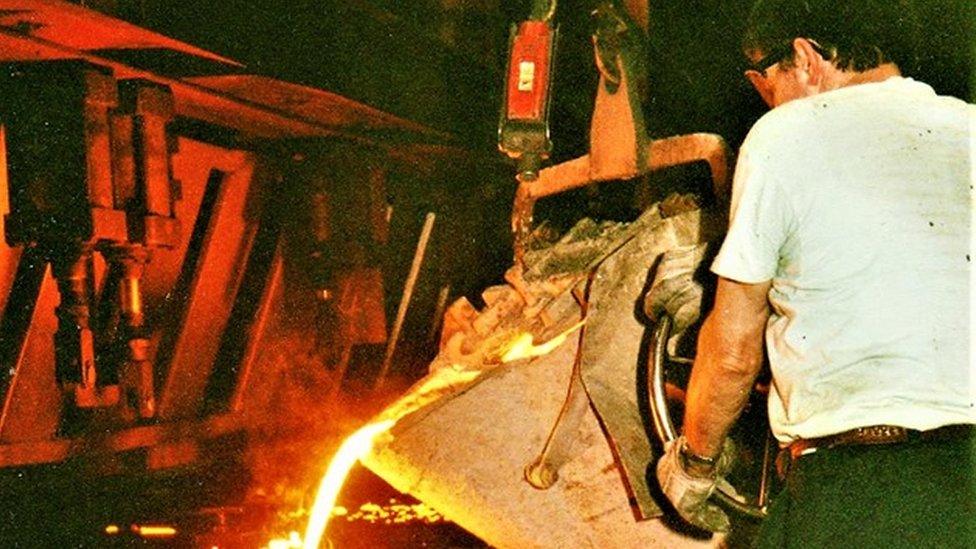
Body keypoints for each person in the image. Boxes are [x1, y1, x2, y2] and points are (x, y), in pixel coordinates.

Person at [655, 0, 975, 546]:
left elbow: (733, 354)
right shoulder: (967, 125)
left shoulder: (784, 136)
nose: (770, 103)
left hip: (855, 490)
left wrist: (694, 462)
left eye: (765, 85)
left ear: (804, 58)